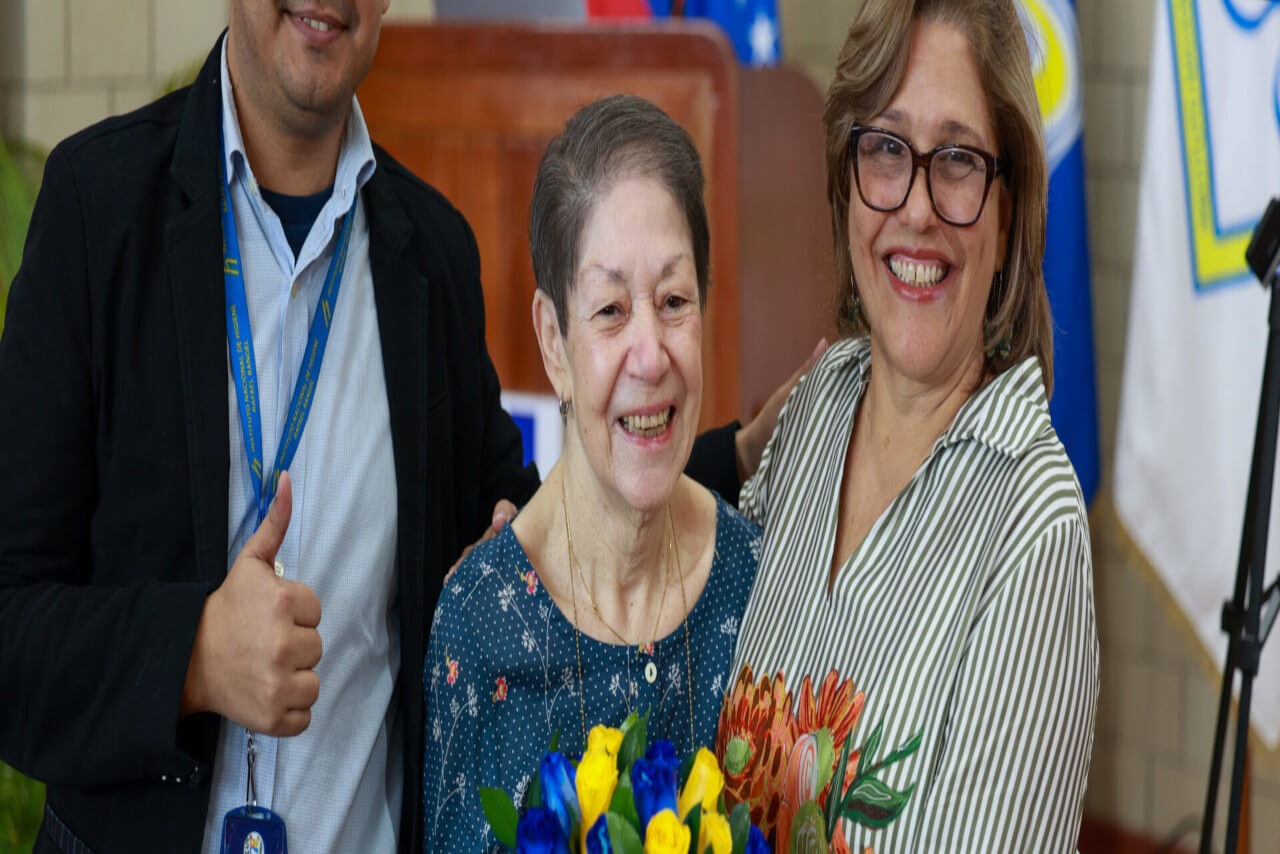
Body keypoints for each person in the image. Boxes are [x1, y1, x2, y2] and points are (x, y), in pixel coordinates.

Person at [0, 1, 543, 851]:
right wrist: (193, 658)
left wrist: (721, 456)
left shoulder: (434, 256)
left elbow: (518, 521)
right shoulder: (95, 211)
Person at [717, 1, 1099, 851]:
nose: (917, 209)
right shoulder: (816, 407)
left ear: (1009, 218)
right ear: (846, 181)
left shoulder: (1032, 523)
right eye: (887, 149)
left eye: (958, 159)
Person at [422, 95, 762, 852]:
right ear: (553, 339)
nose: (651, 355)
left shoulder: (757, 586)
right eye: (610, 310)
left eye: (674, 301)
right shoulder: (478, 622)